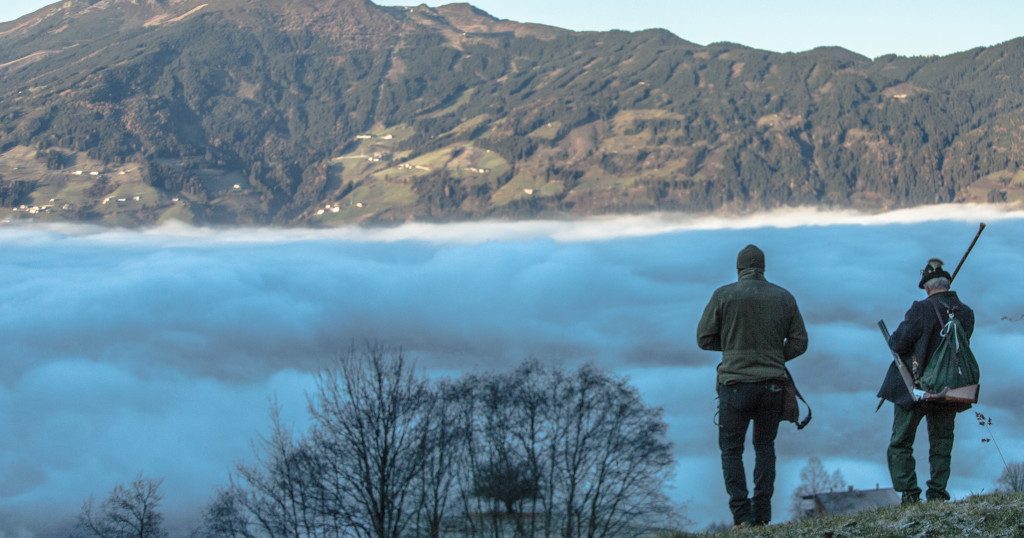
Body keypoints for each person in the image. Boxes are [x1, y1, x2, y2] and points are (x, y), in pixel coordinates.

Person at [697, 244, 808, 527]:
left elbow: (704, 339)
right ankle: (762, 515)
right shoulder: (784, 297)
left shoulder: (723, 295)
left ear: (739, 269)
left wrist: (736, 349)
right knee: (764, 447)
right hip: (772, 387)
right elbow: (800, 341)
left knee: (731, 451)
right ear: (763, 268)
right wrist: (771, 355)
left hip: (734, 386)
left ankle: (741, 517)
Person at [887, 258, 974, 504]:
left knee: (900, 442)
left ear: (927, 287)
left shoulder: (920, 309)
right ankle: (937, 493)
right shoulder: (966, 313)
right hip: (950, 387)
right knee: (942, 442)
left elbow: (897, 343)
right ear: (948, 283)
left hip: (914, 387)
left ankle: (909, 494)